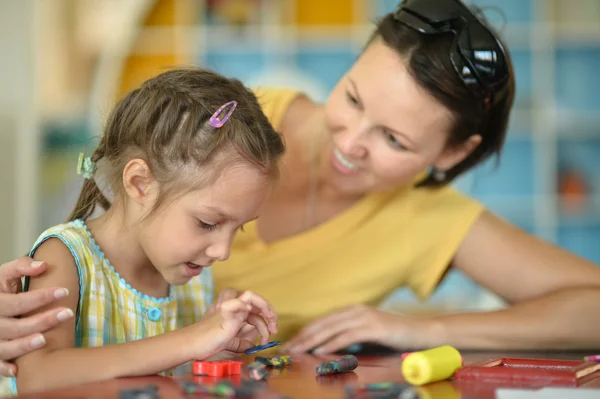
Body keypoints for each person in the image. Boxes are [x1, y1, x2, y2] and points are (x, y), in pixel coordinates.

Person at [3, 0, 600, 375]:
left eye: (394, 140)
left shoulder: (430, 219)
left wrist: (425, 328)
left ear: (452, 153)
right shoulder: (225, 121)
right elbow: (90, 232)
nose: (350, 142)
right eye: (353, 97)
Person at [1, 67, 283, 396]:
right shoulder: (64, 257)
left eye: (239, 227)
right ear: (140, 183)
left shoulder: (193, 280)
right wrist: (192, 339)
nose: (223, 251)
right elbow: (37, 377)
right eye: (208, 223)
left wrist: (219, 341)